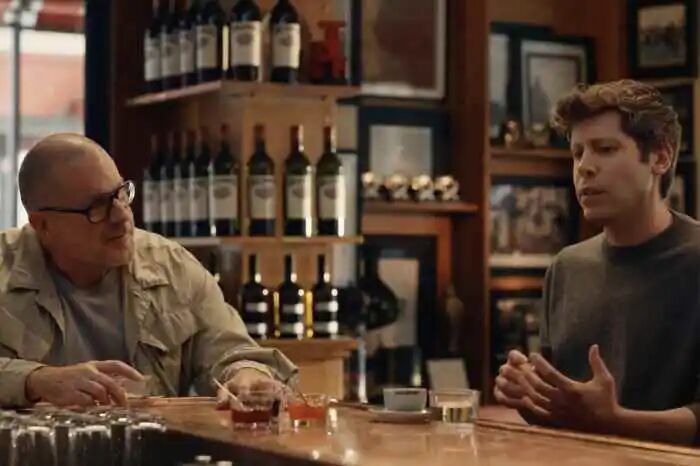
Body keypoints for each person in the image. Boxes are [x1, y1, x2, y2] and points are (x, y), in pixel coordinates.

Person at [0, 133, 296, 408]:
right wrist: (35, 381)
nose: (122, 216)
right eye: (97, 207)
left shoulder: (171, 266)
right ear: (43, 224)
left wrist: (247, 375)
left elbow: (230, 350)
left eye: (121, 194)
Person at [493, 79, 700, 445]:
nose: (585, 167)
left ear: (660, 157)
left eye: (605, 149)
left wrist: (616, 420)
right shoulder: (567, 268)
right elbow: (564, 408)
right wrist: (526, 393)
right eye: (577, 153)